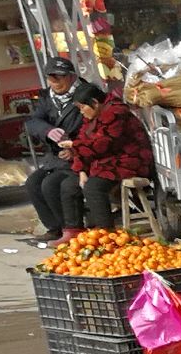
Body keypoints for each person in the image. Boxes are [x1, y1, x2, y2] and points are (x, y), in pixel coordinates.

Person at [22, 57, 100, 246]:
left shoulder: (85, 94)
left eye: (60, 77)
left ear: (71, 76)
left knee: (51, 184)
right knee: (33, 183)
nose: (55, 82)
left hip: (82, 156)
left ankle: (71, 229)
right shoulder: (47, 98)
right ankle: (54, 228)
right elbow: (33, 122)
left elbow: (94, 127)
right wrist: (47, 131)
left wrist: (75, 147)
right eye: (51, 78)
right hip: (57, 156)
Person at [67, 88, 151, 232]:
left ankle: (105, 232)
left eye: (82, 107)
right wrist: (81, 170)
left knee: (93, 187)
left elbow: (102, 144)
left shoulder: (116, 113)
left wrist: (73, 145)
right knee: (67, 185)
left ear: (94, 102)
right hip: (106, 159)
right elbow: (83, 139)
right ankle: (72, 229)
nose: (81, 112)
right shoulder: (92, 118)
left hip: (129, 160)